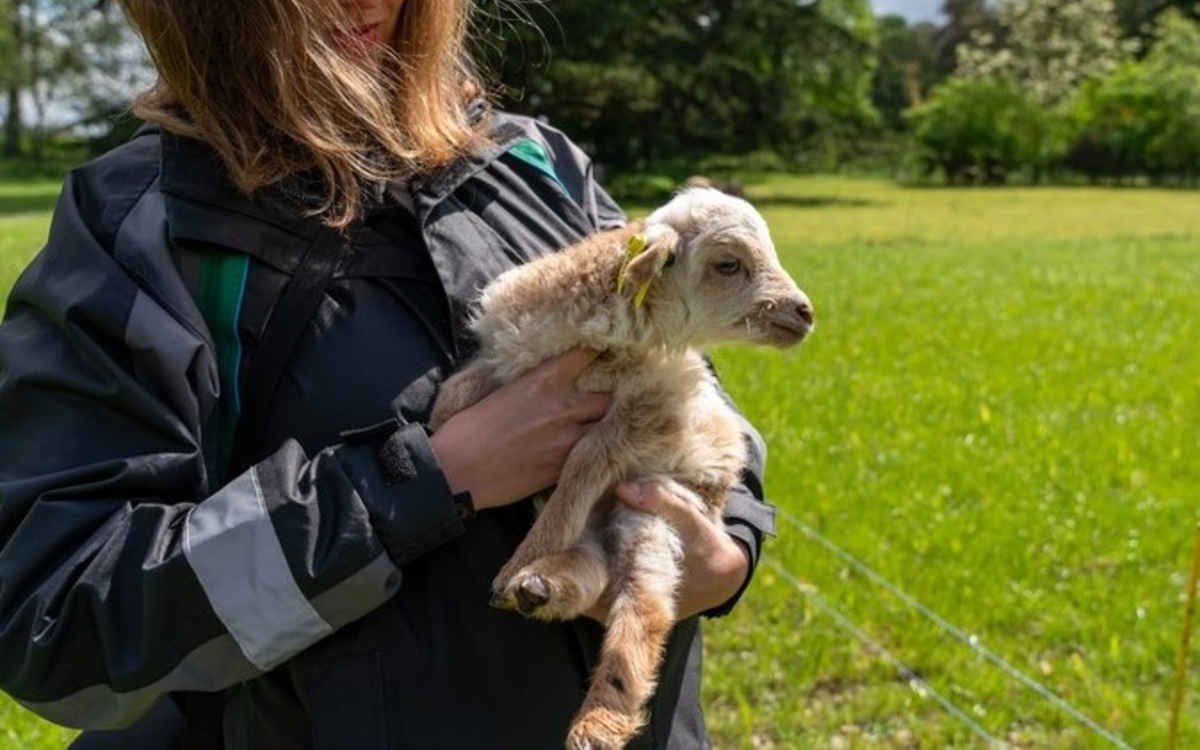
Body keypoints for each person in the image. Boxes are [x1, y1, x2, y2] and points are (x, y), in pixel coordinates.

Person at [0, 0, 777, 748]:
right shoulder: (144, 230)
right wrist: (429, 477)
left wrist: (730, 546)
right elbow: (58, 619)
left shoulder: (541, 163)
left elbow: (691, 371)